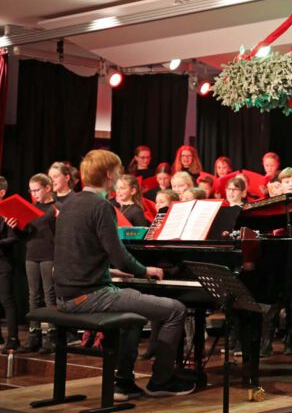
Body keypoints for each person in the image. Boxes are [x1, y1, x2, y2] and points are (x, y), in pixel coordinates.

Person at [54, 149, 195, 399]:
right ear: (110, 174)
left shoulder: (69, 203)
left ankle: (123, 383)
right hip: (92, 295)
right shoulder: (101, 206)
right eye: (119, 171)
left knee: (134, 315)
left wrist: (110, 270)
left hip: (65, 295)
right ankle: (161, 381)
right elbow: (119, 255)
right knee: (175, 310)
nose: (120, 176)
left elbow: (76, 254)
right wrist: (144, 270)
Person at [15, 174, 59, 354]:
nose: (34, 194)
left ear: (48, 188)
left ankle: (51, 338)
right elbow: (25, 235)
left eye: (37, 190)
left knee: (49, 296)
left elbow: (60, 236)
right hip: (31, 254)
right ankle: (34, 336)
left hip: (49, 255)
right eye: (31, 191)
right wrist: (16, 226)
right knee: (33, 296)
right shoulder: (31, 207)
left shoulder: (56, 208)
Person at [0, 176, 20, 353]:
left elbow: (13, 238)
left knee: (7, 300)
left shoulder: (8, 211)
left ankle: (13, 338)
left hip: (3, 262)